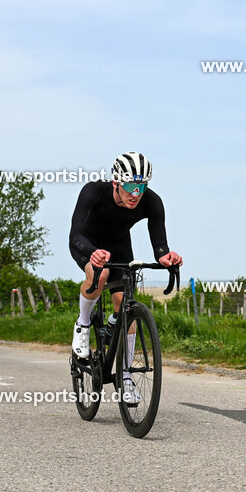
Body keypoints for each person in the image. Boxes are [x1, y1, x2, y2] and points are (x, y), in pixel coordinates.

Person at [69, 152, 182, 404]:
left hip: (119, 246)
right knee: (101, 274)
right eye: (130, 186)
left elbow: (159, 242)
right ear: (116, 183)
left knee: (126, 305)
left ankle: (126, 376)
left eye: (141, 186)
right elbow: (75, 234)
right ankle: (83, 323)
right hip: (86, 244)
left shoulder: (152, 202)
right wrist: (91, 253)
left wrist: (164, 256)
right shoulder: (93, 192)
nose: (136, 193)